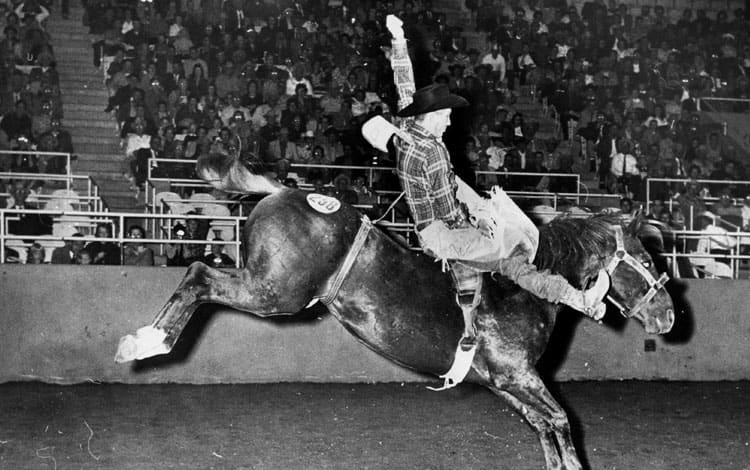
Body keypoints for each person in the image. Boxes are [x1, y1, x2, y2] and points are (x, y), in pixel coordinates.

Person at [363, 16, 609, 351]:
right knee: (511, 252)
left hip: (438, 223)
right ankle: (577, 300)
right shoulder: (431, 152)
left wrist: (399, 39)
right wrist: (480, 220)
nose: (449, 120)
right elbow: (449, 209)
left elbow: (403, 83)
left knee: (512, 259)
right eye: (446, 114)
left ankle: (572, 302)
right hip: (446, 232)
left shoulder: (409, 130)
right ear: (432, 116)